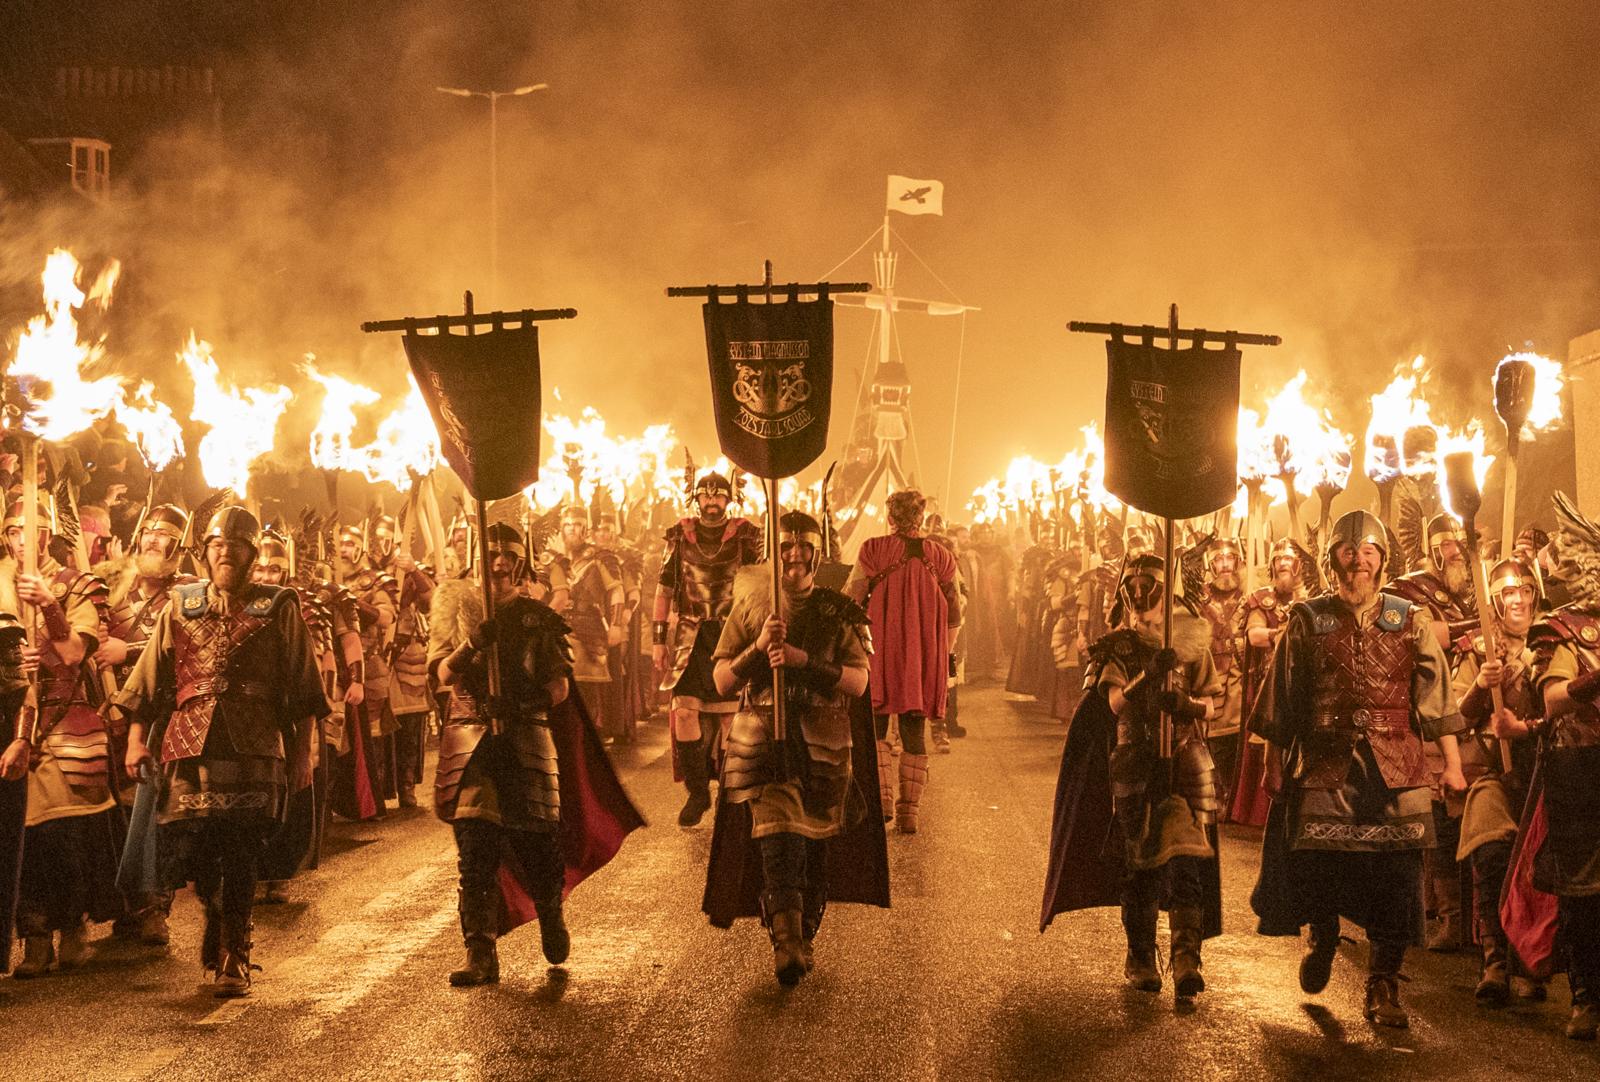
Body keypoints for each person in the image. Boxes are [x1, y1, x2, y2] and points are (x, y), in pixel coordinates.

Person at [1250, 510, 1467, 1029]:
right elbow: (1281, 698)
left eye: (1368, 554)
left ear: (1382, 562)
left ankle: (1384, 983)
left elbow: (1435, 696)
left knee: (1397, 877)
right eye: (1348, 555)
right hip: (1326, 759)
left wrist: (1454, 765)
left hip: (1398, 762)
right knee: (1320, 865)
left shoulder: (1409, 617)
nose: (1357, 564)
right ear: (1332, 563)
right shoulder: (1306, 619)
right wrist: (1272, 762)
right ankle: (1323, 938)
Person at [114, 506, 328, 997]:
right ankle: (214, 915)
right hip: (190, 745)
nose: (225, 553)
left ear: (252, 554)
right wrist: (133, 738)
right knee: (194, 851)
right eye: (217, 545)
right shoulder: (180, 604)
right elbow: (149, 677)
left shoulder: (279, 606)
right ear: (206, 553)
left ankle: (236, 953)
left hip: (255, 744)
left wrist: (301, 754)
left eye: (235, 546)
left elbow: (305, 686)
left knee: (241, 849)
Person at [429, 521, 644, 986]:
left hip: (526, 739)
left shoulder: (537, 618)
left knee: (536, 847)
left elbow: (560, 687)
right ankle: (480, 952)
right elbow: (442, 674)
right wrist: (474, 643)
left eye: (508, 556)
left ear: (520, 563)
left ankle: (550, 910)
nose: (500, 563)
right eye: (492, 555)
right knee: (475, 851)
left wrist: (523, 702)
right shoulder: (454, 609)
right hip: (470, 740)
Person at [708, 510, 879, 985]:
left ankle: (803, 935)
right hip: (761, 735)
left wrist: (806, 662)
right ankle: (784, 943)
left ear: (817, 552)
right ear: (773, 550)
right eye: (786, 546)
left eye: (803, 547)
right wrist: (758, 646)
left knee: (812, 846)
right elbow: (721, 680)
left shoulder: (837, 609)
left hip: (823, 741)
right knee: (778, 838)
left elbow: (860, 681)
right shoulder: (749, 604)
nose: (795, 555)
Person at [1041, 553, 1223, 999]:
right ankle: (1141, 955)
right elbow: (1113, 705)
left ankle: (1186, 959)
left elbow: (1213, 703)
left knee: (1186, 859)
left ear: (1168, 591)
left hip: (1185, 758)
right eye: (1133, 588)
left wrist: (1188, 706)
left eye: (1150, 587)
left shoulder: (1193, 638)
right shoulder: (1117, 647)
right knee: (1140, 860)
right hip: (1135, 758)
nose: (1141, 596)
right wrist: (1149, 676)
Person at [0, 498, 120, 978]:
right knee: (19, 835)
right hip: (11, 718)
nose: (28, 538)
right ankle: (32, 936)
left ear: (52, 534)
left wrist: (49, 604)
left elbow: (72, 653)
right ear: (6, 536)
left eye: (37, 528)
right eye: (17, 530)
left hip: (68, 720)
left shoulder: (80, 584)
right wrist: (10, 664)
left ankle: (72, 927)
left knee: (65, 836)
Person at [1499, 493, 1600, 1040]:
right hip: (1580, 771)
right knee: (1584, 891)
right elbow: (1552, 698)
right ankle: (1586, 998)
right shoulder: (1561, 628)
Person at [94, 502, 196, 944]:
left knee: (155, 813)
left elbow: (187, 647)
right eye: (149, 533)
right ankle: (126, 905)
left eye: (165, 535)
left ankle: (156, 907)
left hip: (162, 716)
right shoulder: (111, 585)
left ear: (179, 544)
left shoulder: (191, 591)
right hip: (107, 714)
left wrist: (126, 651)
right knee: (113, 811)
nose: (154, 540)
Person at [650, 471, 763, 826]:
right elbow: (664, 590)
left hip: (732, 633)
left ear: (729, 500)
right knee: (684, 712)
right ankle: (698, 793)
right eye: (706, 496)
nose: (712, 503)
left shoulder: (746, 536)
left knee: (732, 719)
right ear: (695, 498)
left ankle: (733, 795)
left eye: (718, 497)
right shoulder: (679, 537)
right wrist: (657, 641)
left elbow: (760, 584)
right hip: (689, 636)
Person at [1453, 558, 1542, 1006]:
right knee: (1491, 852)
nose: (1518, 600)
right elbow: (1452, 715)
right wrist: (1479, 687)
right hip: (1492, 768)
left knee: (1538, 864)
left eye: (1525, 590)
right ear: (1495, 600)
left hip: (1541, 770)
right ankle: (1494, 960)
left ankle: (1531, 960)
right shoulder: (1477, 648)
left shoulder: (1553, 642)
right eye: (1508, 593)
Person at [845, 490, 960, 835]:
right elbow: (954, 614)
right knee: (913, 730)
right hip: (925, 656)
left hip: (879, 651)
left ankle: (881, 805)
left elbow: (851, 600)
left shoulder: (873, 550)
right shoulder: (941, 556)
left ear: (891, 518)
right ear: (921, 518)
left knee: (877, 728)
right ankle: (909, 813)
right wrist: (944, 654)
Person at [1390, 512, 1478, 952]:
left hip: (1475, 711)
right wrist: (1478, 628)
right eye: (1447, 543)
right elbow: (1424, 634)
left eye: (1460, 541)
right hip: (1429, 711)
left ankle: (1473, 920)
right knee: (1436, 820)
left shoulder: (1478, 585)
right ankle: (1445, 916)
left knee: (1468, 821)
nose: (1456, 550)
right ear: (1432, 547)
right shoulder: (1411, 589)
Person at [1228, 539, 1313, 827]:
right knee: (1267, 744)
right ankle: (1259, 812)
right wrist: (1284, 633)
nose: (1284, 565)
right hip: (1268, 680)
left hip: (1303, 682)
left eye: (1289, 560)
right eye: (1279, 560)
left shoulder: (1312, 599)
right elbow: (1255, 636)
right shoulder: (1261, 600)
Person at [331, 523, 396, 819]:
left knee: (373, 733)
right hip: (338, 668)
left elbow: (385, 617)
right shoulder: (327, 580)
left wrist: (354, 603)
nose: (344, 550)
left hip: (369, 663)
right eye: (339, 544)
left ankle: (376, 791)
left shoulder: (374, 582)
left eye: (349, 544)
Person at [1195, 538, 1245, 812]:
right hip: (1209, 672)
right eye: (1219, 560)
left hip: (1238, 675)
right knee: (1208, 736)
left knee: (1234, 737)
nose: (1226, 565)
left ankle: (1231, 796)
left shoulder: (1250, 597)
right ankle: (1212, 791)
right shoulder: (1199, 598)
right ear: (1210, 565)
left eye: (1231, 559)